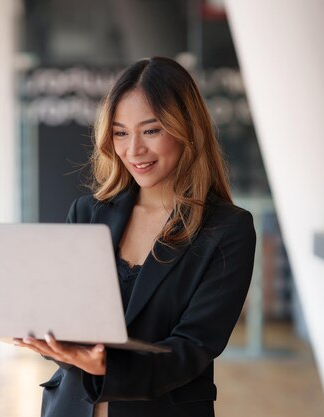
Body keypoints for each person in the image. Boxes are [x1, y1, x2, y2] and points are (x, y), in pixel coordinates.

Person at [13, 56, 256, 417]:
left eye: (151, 130)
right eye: (121, 132)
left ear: (187, 128)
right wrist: (45, 336)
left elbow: (193, 348)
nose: (133, 150)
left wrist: (106, 368)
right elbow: (68, 322)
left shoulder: (227, 230)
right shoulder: (87, 213)